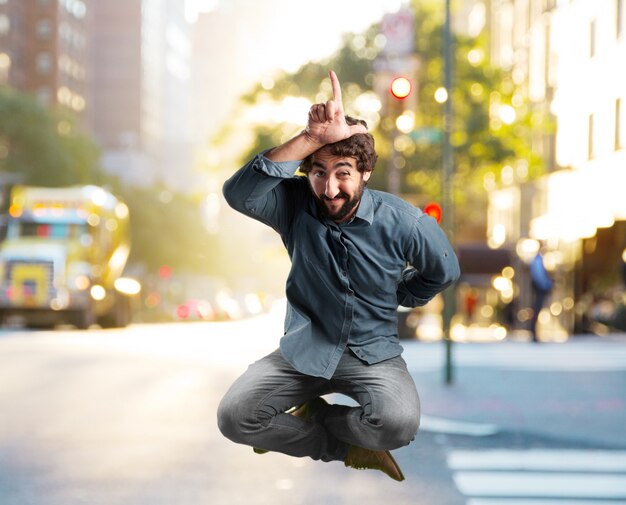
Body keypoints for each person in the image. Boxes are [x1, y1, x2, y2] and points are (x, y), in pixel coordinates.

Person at [217, 71, 460, 481]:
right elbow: (239, 193)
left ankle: (324, 420)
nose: (330, 188)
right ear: (306, 173)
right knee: (236, 417)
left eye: (343, 172)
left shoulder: (403, 222)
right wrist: (310, 138)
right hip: (304, 351)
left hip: (372, 354)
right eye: (318, 173)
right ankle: (338, 443)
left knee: (398, 424)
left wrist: (403, 293)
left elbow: (444, 270)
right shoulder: (293, 206)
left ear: (364, 173)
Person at [529, 249, 553, 342]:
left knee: (537, 310)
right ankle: (533, 332)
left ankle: (534, 332)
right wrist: (547, 285)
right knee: (537, 310)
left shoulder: (538, 260)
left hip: (540, 288)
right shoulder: (538, 260)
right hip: (540, 289)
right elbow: (538, 276)